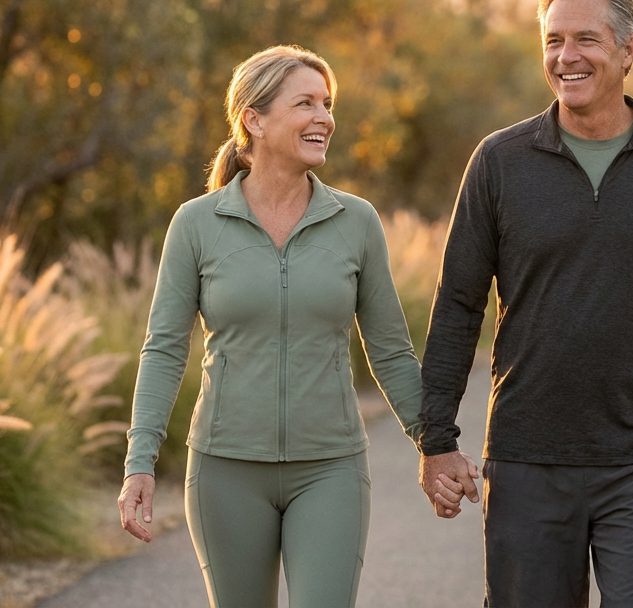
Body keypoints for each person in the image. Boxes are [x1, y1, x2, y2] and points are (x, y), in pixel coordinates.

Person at [418, 0, 633, 607]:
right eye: (553, 41)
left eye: (586, 40)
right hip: (526, 458)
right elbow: (458, 305)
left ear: (628, 50)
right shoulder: (499, 162)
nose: (565, 57)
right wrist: (437, 441)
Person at [118, 44, 431, 608]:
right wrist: (140, 460)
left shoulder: (356, 222)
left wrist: (434, 444)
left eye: (327, 103)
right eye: (305, 103)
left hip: (330, 467)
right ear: (253, 120)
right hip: (224, 470)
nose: (325, 118)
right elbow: (164, 349)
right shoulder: (197, 224)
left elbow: (389, 348)